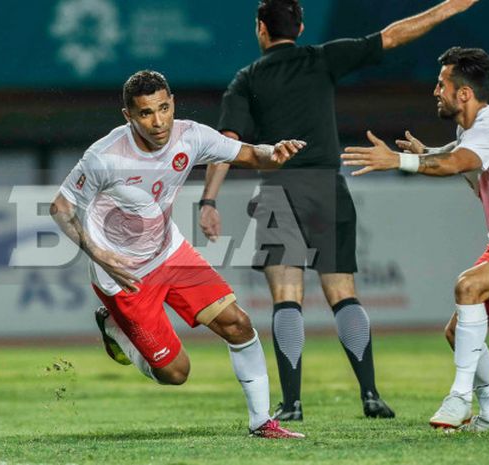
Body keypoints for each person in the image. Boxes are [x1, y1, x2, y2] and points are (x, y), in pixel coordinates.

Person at [199, 0, 481, 421]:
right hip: (327, 188)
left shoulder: (247, 79)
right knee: (343, 294)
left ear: (261, 28)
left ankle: (292, 404)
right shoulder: (321, 59)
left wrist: (208, 200)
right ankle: (370, 395)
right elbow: (393, 35)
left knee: (287, 299)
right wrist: (447, 8)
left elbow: (226, 142)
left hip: (278, 189)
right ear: (301, 26)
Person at [50, 70, 307, 438]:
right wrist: (98, 253)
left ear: (172, 102)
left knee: (238, 324)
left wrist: (275, 152)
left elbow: (251, 155)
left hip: (170, 252)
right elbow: (60, 207)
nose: (158, 122)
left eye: (164, 108)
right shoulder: (104, 157)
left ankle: (262, 422)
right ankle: (114, 327)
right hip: (123, 274)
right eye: (145, 113)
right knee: (176, 373)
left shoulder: (192, 136)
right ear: (128, 116)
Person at [342, 47, 489, 432]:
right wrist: (426, 153)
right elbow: (452, 153)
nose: (435, 91)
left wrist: (397, 162)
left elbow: (454, 164)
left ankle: (459, 398)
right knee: (458, 332)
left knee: (468, 286)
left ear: (463, 93)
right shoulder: (472, 130)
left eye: (442, 84)